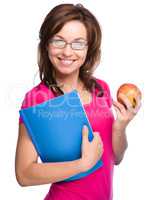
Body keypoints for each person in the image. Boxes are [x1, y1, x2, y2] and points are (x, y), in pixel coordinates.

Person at [15, 3, 141, 200]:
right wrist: (82, 164)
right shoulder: (37, 100)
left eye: (78, 43)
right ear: (46, 44)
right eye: (58, 41)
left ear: (88, 48)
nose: (67, 52)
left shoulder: (101, 89)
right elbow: (24, 174)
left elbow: (115, 158)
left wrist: (120, 127)